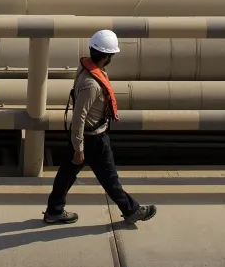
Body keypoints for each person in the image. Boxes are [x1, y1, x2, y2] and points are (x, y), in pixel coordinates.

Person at [43, 29, 157, 225]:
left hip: (84, 137)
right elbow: (79, 117)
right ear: (106, 57)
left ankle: (54, 210)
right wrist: (79, 148)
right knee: (109, 177)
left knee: (66, 175)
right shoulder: (91, 85)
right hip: (92, 139)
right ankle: (131, 210)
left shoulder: (87, 69)